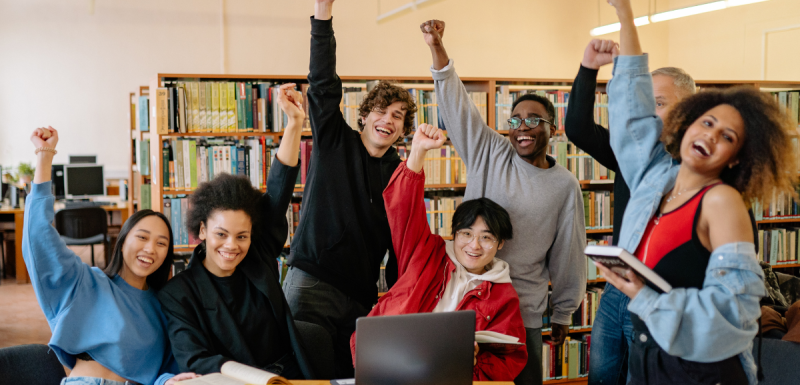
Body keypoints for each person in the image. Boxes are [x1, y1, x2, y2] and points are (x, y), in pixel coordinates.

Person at [595, 0, 799, 383]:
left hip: (696, 369)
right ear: (686, 124)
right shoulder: (657, 177)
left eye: (727, 136)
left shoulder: (721, 201)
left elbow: (736, 311)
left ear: (737, 158)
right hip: (649, 353)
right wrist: (625, 14)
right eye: (706, 122)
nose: (709, 135)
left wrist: (646, 297)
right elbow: (630, 112)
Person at [420, 19, 587, 385]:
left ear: (552, 129)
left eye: (533, 120)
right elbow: (457, 105)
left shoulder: (564, 185)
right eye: (515, 119)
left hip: (522, 309)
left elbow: (569, 252)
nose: (522, 127)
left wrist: (563, 312)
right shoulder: (489, 151)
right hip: (468, 298)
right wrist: (437, 47)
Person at [281, 0, 418, 377]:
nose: (387, 120)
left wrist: (394, 302)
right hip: (311, 284)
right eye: (381, 110)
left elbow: (400, 244)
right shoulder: (334, 140)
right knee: (302, 376)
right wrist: (322, 13)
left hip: (361, 298)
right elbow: (323, 83)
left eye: (397, 116)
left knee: (352, 377)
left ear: (403, 130)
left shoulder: (400, 174)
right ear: (364, 115)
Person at [157, 84, 314, 379]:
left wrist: (294, 123)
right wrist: (252, 376)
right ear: (201, 230)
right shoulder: (178, 293)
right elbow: (194, 357)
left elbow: (279, 191)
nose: (232, 245)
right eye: (221, 234)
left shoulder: (258, 257)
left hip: (292, 375)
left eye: (242, 236)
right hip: (235, 381)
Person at [564, 40, 696, 385]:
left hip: (660, 295)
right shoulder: (631, 156)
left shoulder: (702, 168)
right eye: (644, 103)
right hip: (615, 293)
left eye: (661, 103)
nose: (649, 112)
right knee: (602, 378)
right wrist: (589, 67)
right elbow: (577, 129)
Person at [349, 123, 527, 381]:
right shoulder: (426, 253)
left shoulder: (503, 294)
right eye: (466, 234)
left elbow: (509, 359)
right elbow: (405, 208)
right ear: (454, 234)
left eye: (486, 238)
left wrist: (471, 365)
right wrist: (418, 150)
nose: (474, 246)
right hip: (390, 363)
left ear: (500, 244)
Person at [22, 126, 198, 385]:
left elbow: (165, 371)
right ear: (122, 239)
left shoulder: (163, 307)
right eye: (142, 237)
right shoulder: (85, 283)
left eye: (162, 243)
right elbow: (37, 233)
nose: (150, 249)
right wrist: (44, 155)